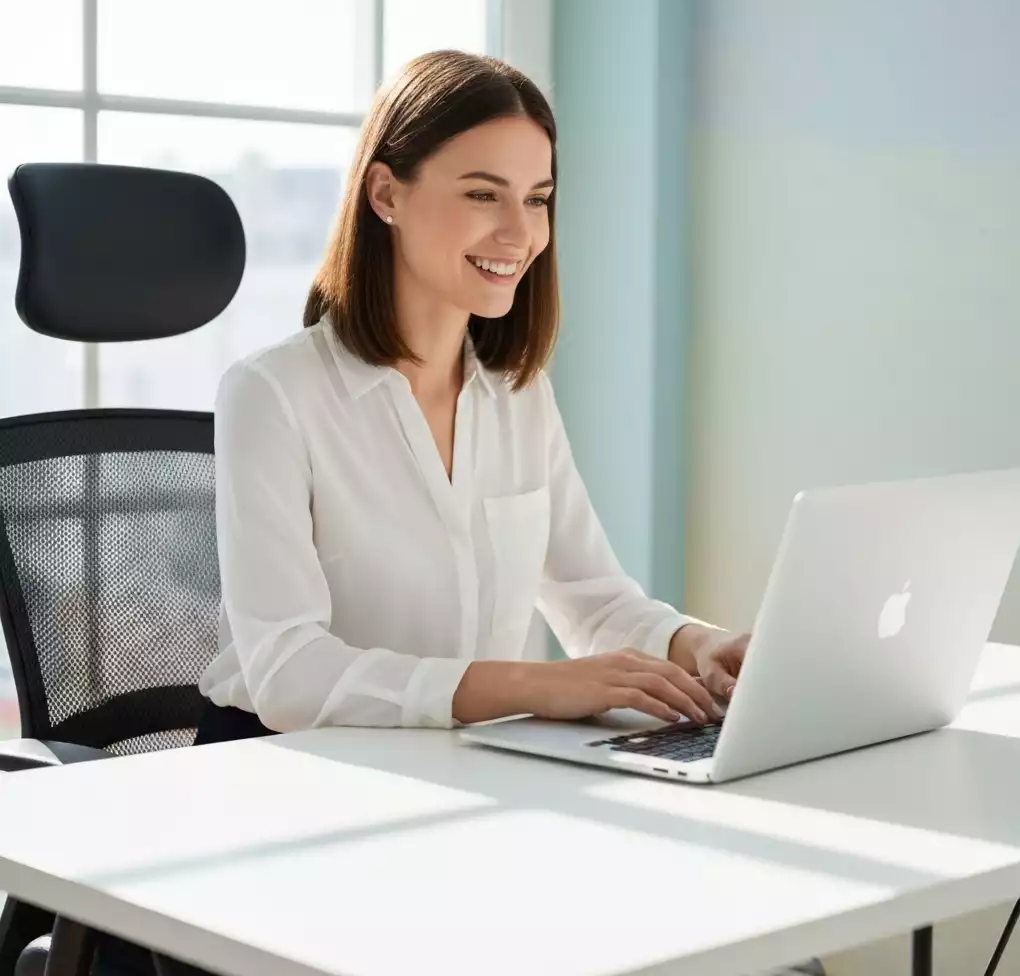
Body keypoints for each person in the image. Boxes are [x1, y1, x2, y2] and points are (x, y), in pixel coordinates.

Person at [192, 49, 751, 747]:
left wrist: (696, 645)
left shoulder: (519, 395)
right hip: (285, 768)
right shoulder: (272, 394)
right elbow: (287, 670)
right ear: (386, 195)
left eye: (537, 198)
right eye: (484, 194)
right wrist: (532, 686)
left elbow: (593, 600)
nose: (521, 234)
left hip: (453, 763)